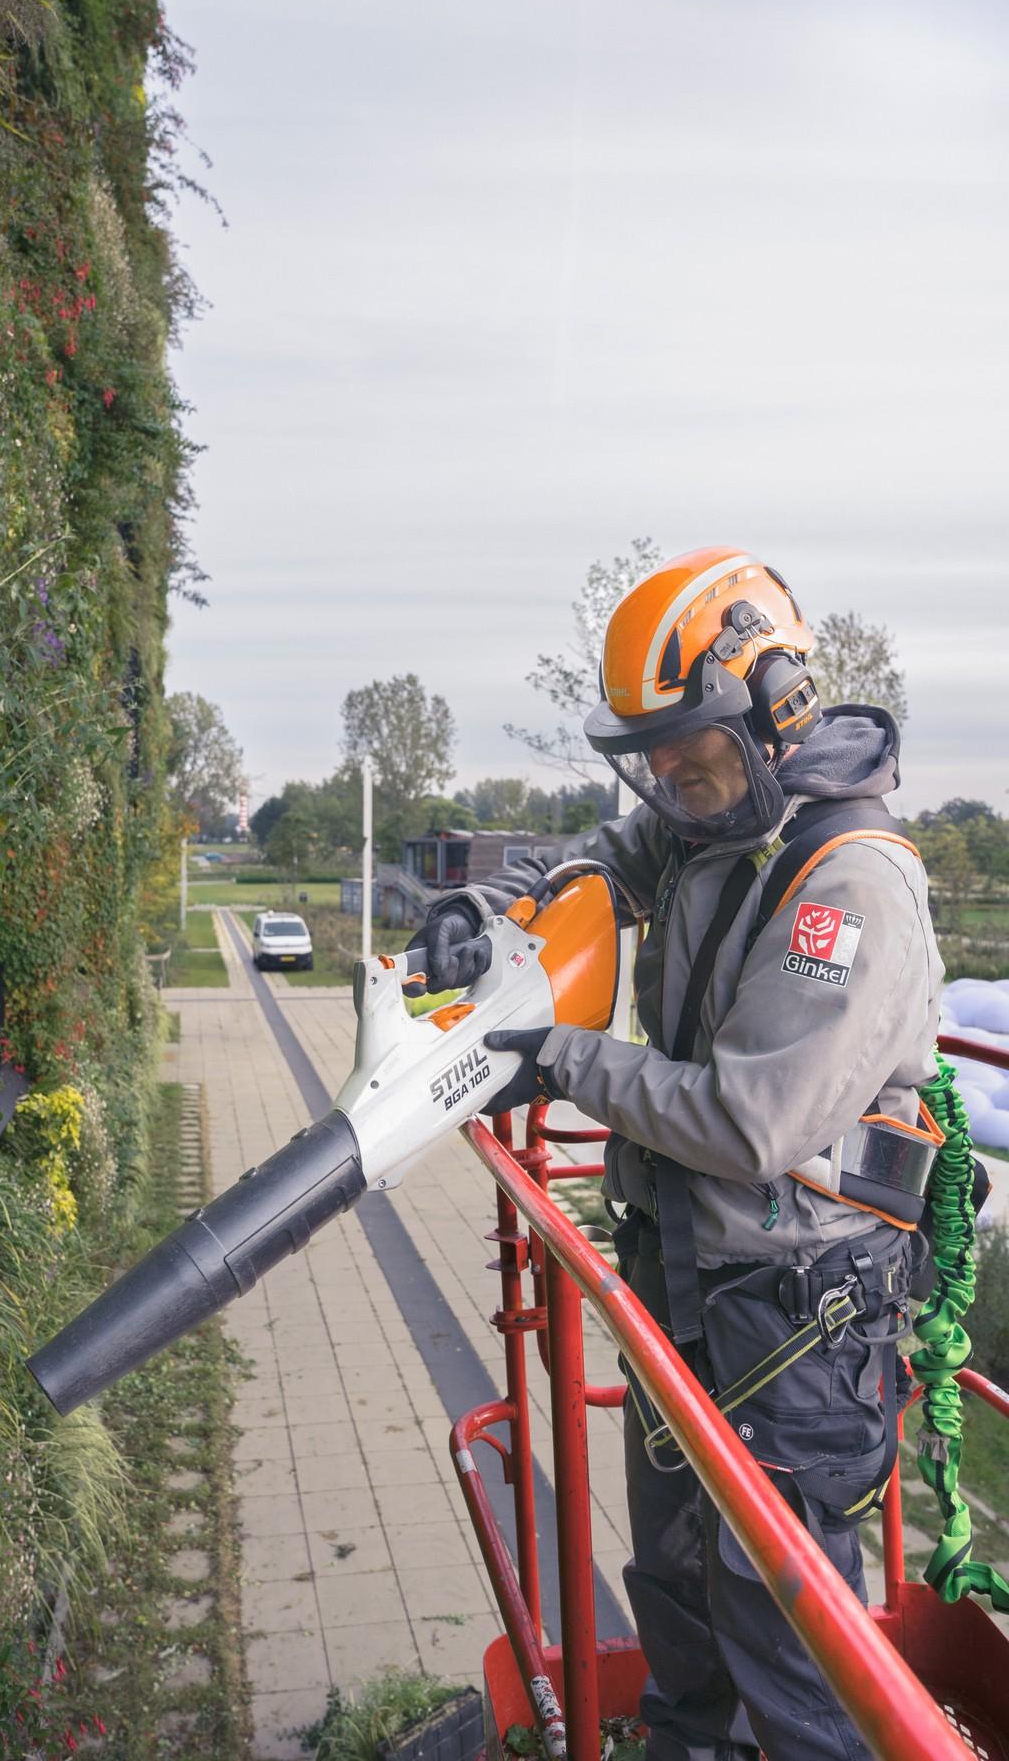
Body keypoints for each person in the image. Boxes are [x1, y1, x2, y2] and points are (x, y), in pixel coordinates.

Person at [418, 547, 943, 1761]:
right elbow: (606, 868)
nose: (663, 771)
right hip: (688, 1285)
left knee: (790, 1645)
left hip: (795, 1320)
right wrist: (496, 910)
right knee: (674, 1584)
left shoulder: (846, 883)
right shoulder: (715, 819)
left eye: (683, 742)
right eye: (646, 748)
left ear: (774, 705)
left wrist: (558, 1056)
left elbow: (750, 1123)